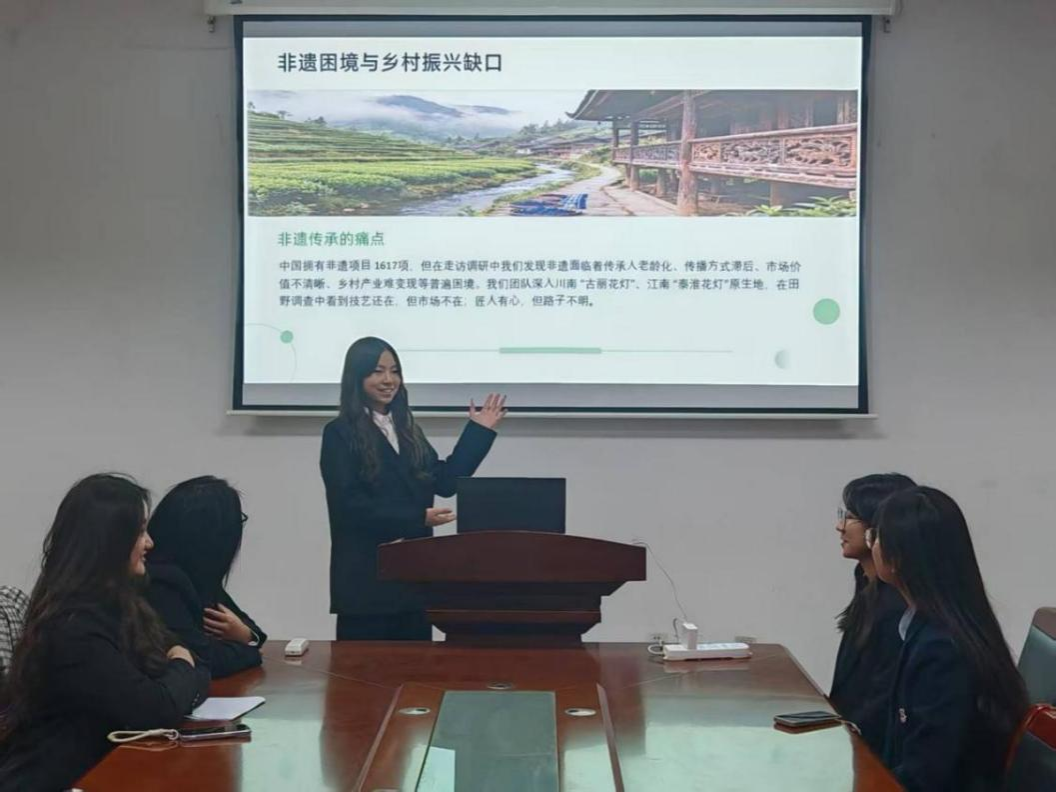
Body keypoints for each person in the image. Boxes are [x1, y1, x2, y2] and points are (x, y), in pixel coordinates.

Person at [0, 474, 210, 792]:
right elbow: (156, 708)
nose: (150, 543)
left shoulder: (124, 606)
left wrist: (180, 671)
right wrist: (181, 664)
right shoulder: (72, 628)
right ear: (110, 542)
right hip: (57, 780)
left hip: (107, 769)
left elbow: (197, 669)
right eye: (140, 532)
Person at [321, 337, 506, 640]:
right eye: (377, 371)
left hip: (413, 579)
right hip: (366, 583)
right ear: (357, 377)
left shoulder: (408, 430)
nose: (388, 380)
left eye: (394, 371)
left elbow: (445, 482)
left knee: (415, 666)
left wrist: (479, 431)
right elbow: (348, 506)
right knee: (363, 668)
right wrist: (417, 517)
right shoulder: (339, 433)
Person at [869, 486, 1027, 792]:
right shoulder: (935, 625)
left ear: (897, 557)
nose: (871, 545)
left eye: (875, 537)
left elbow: (927, 773)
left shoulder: (942, 649)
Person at [145, 476, 267, 678]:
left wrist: (246, 635)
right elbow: (204, 659)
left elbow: (249, 628)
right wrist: (250, 650)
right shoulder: (162, 582)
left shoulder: (199, 576)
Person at [829, 473, 916, 754]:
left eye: (851, 517)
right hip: (850, 734)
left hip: (872, 750)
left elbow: (880, 701)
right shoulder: (866, 580)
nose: (840, 526)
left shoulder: (898, 605)